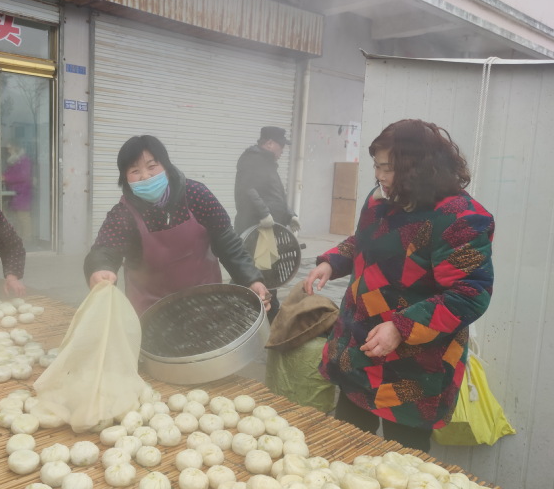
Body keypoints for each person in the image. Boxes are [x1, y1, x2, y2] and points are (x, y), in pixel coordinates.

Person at [304, 119, 494, 452]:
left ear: (419, 167)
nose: (379, 175)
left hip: (413, 369)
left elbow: (468, 295)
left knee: (403, 459)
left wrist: (401, 327)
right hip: (359, 349)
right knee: (346, 446)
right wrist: (332, 261)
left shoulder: (460, 218)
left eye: (388, 168)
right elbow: (364, 240)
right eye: (377, 166)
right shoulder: (382, 199)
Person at [85, 135, 271, 316]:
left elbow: (228, 244)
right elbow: (105, 249)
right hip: (151, 312)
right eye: (135, 171)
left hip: (205, 301)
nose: (145, 176)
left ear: (166, 166)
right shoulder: (124, 213)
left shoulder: (197, 195)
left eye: (152, 166)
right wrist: (100, 268)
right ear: (125, 178)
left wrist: (251, 279)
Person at [234, 126, 300, 321]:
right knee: (252, 274)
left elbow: (275, 193)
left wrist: (290, 215)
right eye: (281, 146)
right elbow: (247, 189)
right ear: (270, 143)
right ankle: (248, 316)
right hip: (255, 231)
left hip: (269, 231)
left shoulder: (268, 162)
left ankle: (270, 314)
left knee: (270, 275)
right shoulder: (252, 159)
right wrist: (263, 213)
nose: (282, 151)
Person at [3, 149, 34, 239]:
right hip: (15, 192)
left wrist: (6, 177)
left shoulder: (24, 160)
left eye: (10, 149)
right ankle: (21, 237)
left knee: (23, 216)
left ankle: (27, 238)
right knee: (17, 217)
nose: (9, 151)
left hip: (22, 192)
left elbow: (22, 176)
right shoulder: (13, 161)